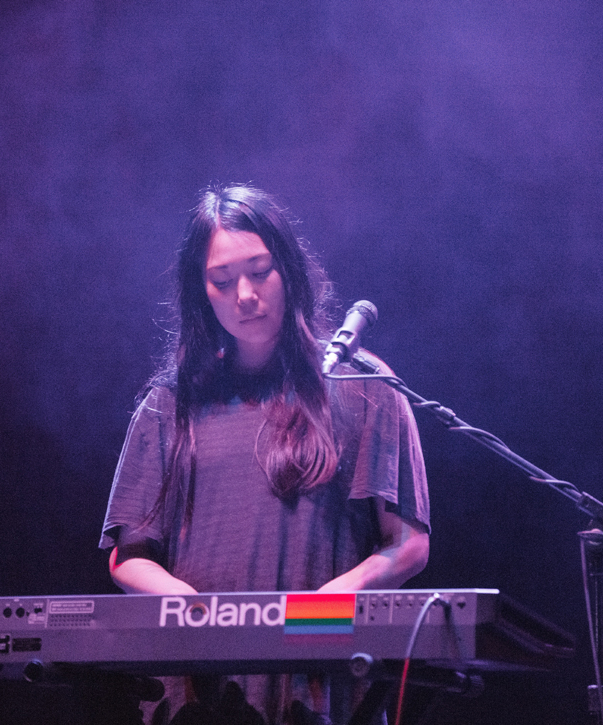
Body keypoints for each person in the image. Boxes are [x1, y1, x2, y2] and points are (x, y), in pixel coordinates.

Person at [99, 185, 430, 725]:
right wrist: (191, 609)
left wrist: (324, 607)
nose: (245, 295)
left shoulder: (362, 385)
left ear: (289, 272)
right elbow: (128, 555)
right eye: (222, 281)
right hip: (195, 697)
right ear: (201, 291)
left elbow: (409, 543)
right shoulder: (168, 404)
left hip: (320, 684)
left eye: (259, 271)